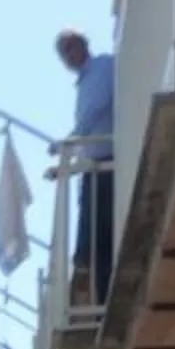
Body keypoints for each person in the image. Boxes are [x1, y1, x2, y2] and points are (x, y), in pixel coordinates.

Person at [57, 30, 115, 306]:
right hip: (93, 169)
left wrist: (69, 142)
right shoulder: (81, 84)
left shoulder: (103, 66)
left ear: (84, 44)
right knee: (92, 247)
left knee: (103, 237)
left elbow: (96, 109)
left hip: (108, 165)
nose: (68, 56)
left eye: (70, 48)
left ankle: (105, 300)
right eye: (63, 53)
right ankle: (101, 300)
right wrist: (67, 163)